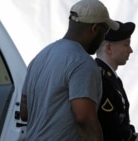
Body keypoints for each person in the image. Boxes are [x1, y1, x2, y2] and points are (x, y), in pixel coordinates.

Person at [19, 0, 119, 140]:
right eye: (105, 31)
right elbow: (85, 119)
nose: (103, 38)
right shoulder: (82, 62)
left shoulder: (40, 56)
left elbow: (24, 111)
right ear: (95, 28)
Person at [95, 21, 138, 141]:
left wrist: (132, 134)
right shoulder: (100, 78)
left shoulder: (111, 77)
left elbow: (120, 120)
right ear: (108, 48)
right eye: (126, 44)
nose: (131, 50)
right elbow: (108, 125)